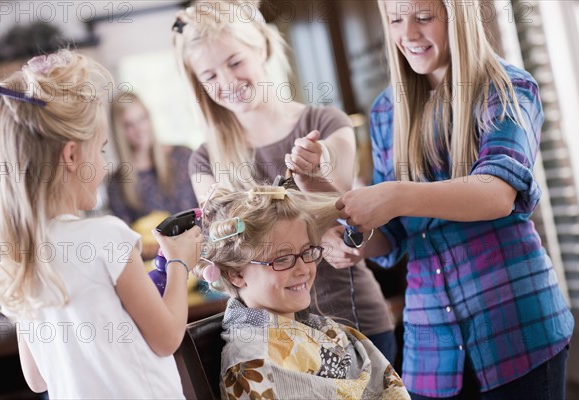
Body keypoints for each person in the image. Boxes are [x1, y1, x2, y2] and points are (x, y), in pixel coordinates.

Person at [335, 1, 575, 399]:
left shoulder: (508, 88)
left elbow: (497, 192)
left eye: (423, 17)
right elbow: (391, 237)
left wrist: (394, 195)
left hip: (516, 330)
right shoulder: (384, 112)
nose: (407, 34)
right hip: (429, 353)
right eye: (395, 20)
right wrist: (354, 238)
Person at [173, 0, 397, 363]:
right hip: (272, 346)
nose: (227, 82)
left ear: (261, 46)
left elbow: (336, 214)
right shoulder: (205, 159)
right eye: (210, 76)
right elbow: (228, 249)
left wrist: (316, 175)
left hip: (353, 324)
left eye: (235, 62)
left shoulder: (325, 122)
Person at [0, 50, 203, 399]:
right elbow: (167, 337)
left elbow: (37, 379)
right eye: (101, 150)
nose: (105, 167)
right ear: (72, 156)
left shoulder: (17, 257)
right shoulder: (105, 236)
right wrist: (180, 263)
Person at [194, 185, 410, 399]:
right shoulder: (253, 363)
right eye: (282, 259)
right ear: (236, 274)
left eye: (307, 252)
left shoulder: (320, 329)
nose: (303, 269)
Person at [107, 92, 199, 258]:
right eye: (129, 125)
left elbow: (208, 210)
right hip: (160, 269)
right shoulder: (117, 184)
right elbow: (129, 245)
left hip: (201, 255)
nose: (139, 129)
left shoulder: (183, 156)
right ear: (119, 131)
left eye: (142, 119)